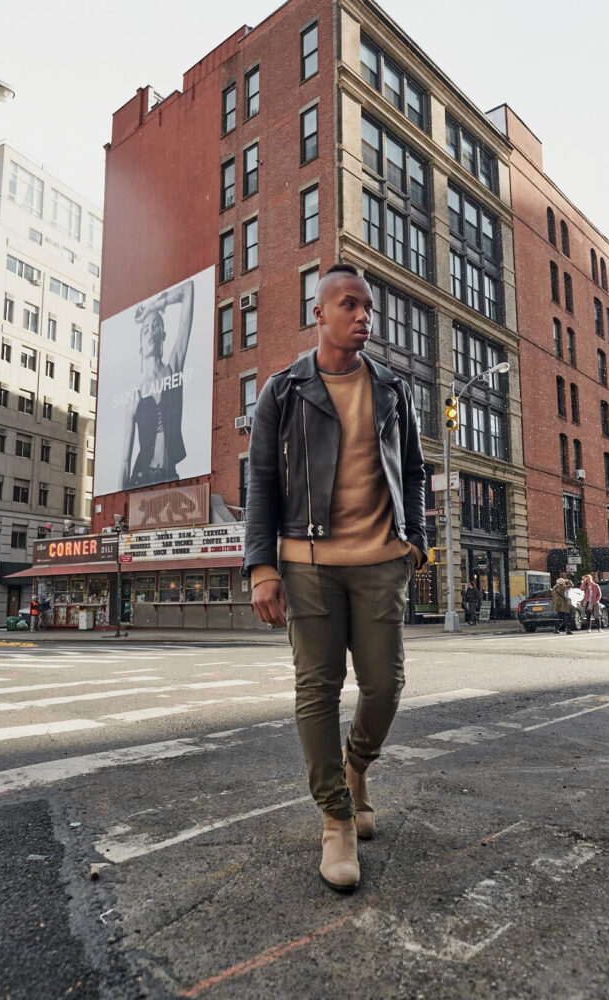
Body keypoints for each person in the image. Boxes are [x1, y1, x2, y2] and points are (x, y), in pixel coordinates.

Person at [244, 263, 427, 893]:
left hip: (380, 560)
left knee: (385, 686)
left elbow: (416, 473)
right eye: (348, 305)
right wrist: (262, 566)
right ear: (317, 313)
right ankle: (336, 819)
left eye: (368, 308)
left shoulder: (395, 391)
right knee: (316, 690)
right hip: (308, 564)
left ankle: (356, 768)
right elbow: (261, 480)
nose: (362, 317)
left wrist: (417, 543)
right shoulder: (283, 390)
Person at [120, 280, 194, 489]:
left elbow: (188, 290)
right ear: (140, 347)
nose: (151, 331)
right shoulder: (135, 396)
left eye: (156, 326)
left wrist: (151, 308)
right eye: (145, 329)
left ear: (163, 335)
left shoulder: (174, 368)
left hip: (170, 476)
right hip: (141, 479)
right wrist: (119, 502)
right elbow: (124, 461)